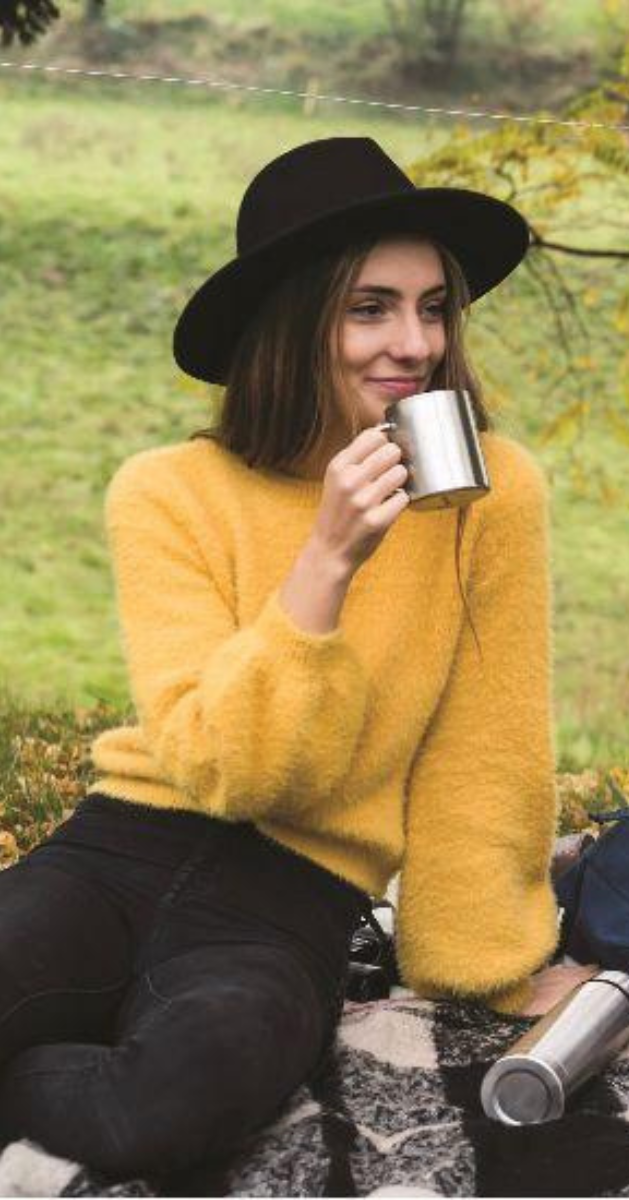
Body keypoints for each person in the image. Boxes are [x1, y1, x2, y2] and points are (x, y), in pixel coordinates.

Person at [0, 137, 574, 1176]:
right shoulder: (167, 490)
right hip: (115, 854)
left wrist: (487, 966)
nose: (415, 343)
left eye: (433, 307)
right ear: (294, 320)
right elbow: (224, 768)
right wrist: (327, 562)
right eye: (370, 308)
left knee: (176, 1107)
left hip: (287, 903)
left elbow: (485, 753)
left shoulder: (490, 495)